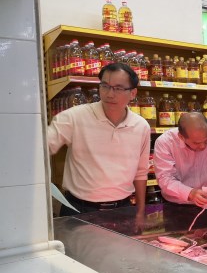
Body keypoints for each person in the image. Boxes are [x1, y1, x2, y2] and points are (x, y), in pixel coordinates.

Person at [47, 62, 151, 229]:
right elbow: (41, 149)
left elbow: (141, 172)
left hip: (123, 209)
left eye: (118, 88)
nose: (110, 94)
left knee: (122, 248)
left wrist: (140, 210)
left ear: (133, 93)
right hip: (79, 209)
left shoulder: (141, 126)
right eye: (104, 86)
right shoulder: (73, 117)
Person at [153, 112, 207, 207]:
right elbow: (165, 178)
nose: (203, 146)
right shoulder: (165, 142)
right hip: (177, 204)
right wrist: (190, 193)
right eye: (196, 143)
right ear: (181, 137)